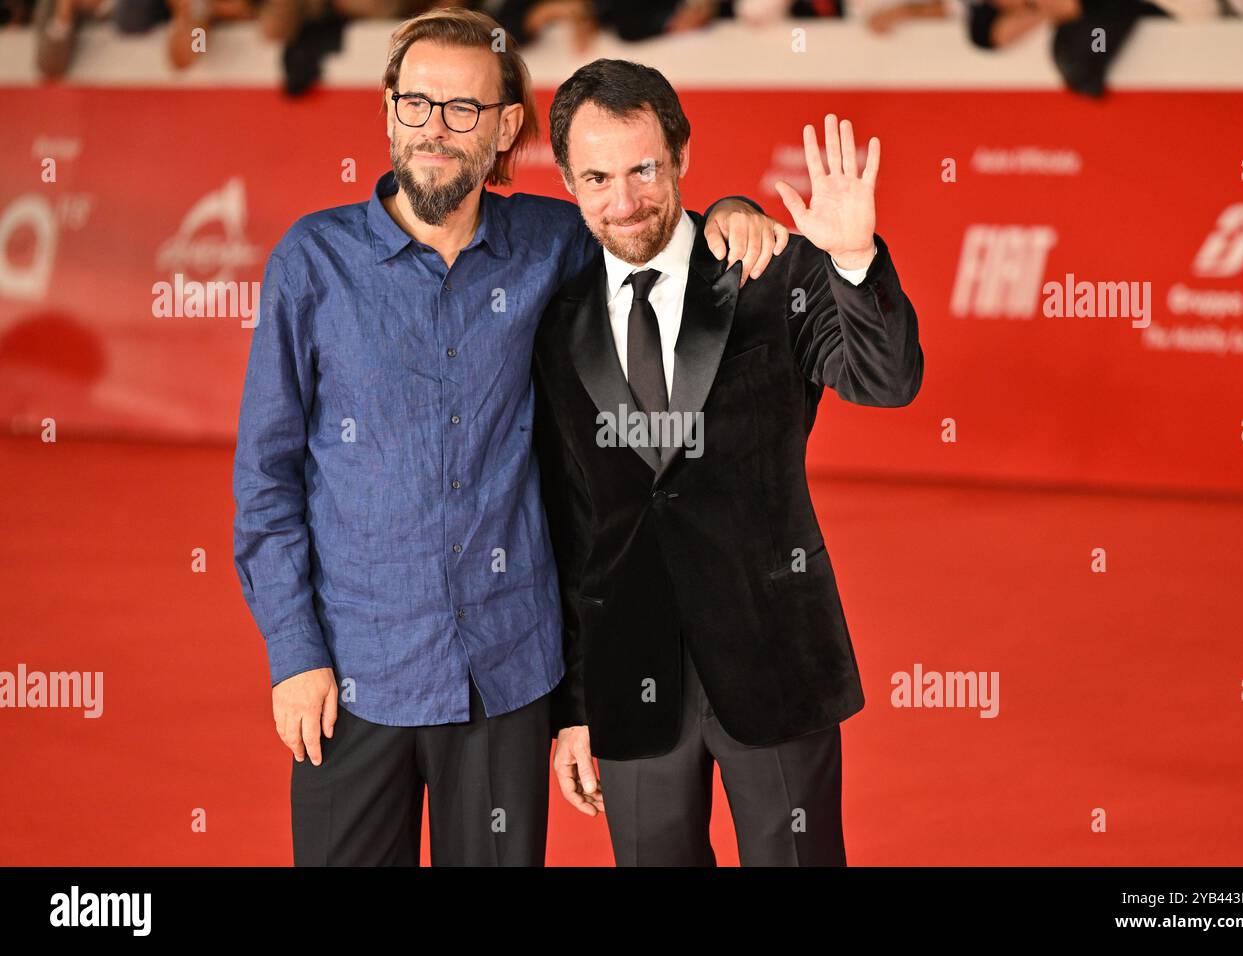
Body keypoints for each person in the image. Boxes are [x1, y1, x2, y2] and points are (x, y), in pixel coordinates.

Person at [232, 8, 777, 866]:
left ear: (506, 128)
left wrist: (733, 211)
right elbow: (266, 480)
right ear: (386, 112)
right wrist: (294, 652)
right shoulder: (313, 263)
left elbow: (643, 226)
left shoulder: (553, 246)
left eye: (464, 111)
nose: (436, 131)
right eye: (417, 105)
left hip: (507, 681)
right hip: (356, 678)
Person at [534, 58, 922, 865]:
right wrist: (572, 706)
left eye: (643, 168)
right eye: (596, 177)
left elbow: (887, 383)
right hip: (630, 684)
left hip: (773, 657)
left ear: (680, 154)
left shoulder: (768, 270)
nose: (624, 200)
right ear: (568, 180)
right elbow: (574, 527)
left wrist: (853, 261)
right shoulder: (555, 320)